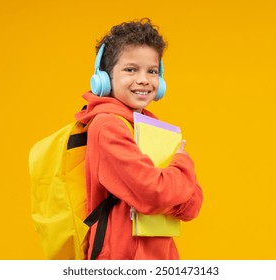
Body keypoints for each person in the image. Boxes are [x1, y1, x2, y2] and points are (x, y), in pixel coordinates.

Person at [75, 18, 203, 260]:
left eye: (152, 71)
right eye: (131, 69)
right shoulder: (107, 126)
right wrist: (182, 164)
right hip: (122, 258)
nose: (144, 79)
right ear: (104, 78)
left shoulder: (151, 128)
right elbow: (155, 194)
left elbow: (192, 205)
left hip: (161, 256)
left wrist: (168, 190)